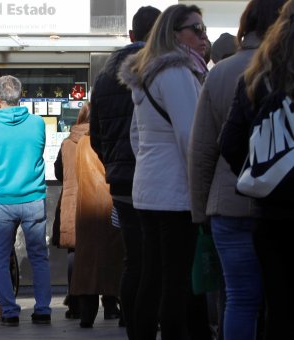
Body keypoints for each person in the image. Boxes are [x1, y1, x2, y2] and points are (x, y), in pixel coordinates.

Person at [189, 1, 284, 339]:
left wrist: (200, 212)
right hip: (280, 203)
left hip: (227, 205)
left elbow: (202, 150)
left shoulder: (221, 72)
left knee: (240, 300)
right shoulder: (284, 70)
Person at [118, 4, 209, 339]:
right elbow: (191, 137)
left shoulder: (148, 73)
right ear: (173, 34)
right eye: (195, 29)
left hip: (149, 190)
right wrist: (201, 189)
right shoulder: (176, 73)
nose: (203, 37)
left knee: (152, 276)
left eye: (204, 29)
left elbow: (136, 137)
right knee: (174, 280)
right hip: (175, 193)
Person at [220, 1, 294, 337]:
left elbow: (229, 143)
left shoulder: (256, 78)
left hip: (270, 214)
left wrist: (264, 175)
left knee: (277, 306)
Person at [89, 6, 161, 338]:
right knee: (162, 257)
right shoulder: (158, 68)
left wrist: (114, 163)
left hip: (121, 179)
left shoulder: (104, 77)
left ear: (131, 35)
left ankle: (134, 327)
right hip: (158, 176)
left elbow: (96, 135)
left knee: (133, 259)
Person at [0, 75, 51, 326]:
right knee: (39, 256)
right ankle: (42, 309)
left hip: (1, 200)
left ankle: (9, 311)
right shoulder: (37, 123)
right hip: (33, 198)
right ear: (21, 96)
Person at [56, 103, 124, 328]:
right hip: (109, 204)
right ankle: (116, 308)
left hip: (82, 207)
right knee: (117, 259)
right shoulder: (110, 139)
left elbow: (61, 173)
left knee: (84, 261)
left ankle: (84, 313)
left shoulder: (73, 143)